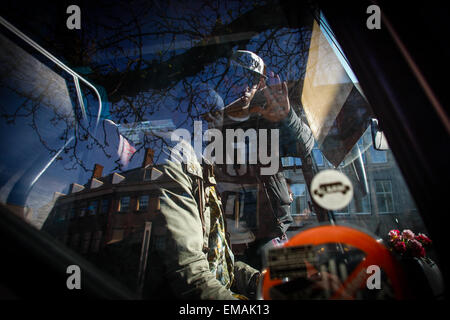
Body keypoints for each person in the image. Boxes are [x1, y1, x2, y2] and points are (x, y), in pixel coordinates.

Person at [142, 50, 314, 299]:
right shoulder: (206, 127)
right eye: (238, 76)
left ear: (260, 84)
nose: (245, 86)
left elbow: (307, 147)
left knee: (300, 288)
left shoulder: (269, 120)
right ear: (226, 79)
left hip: (272, 234)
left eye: (253, 80)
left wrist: (288, 117)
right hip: (226, 239)